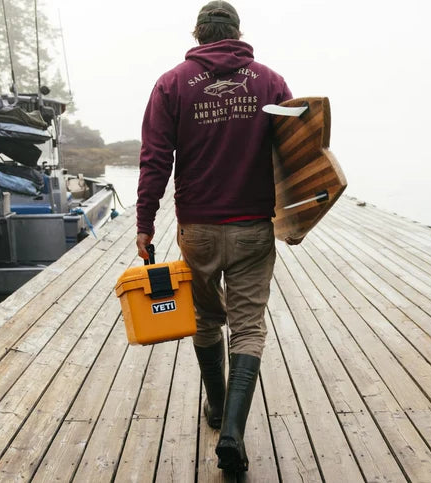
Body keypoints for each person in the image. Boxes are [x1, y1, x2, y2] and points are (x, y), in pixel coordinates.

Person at [136, 0, 292, 473]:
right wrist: (299, 217)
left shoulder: (172, 84)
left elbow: (155, 159)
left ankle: (218, 407)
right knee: (248, 326)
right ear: (237, 33)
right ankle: (233, 433)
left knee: (206, 318)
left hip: (198, 230)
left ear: (198, 34)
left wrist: (145, 223)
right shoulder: (270, 82)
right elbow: (296, 154)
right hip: (252, 228)